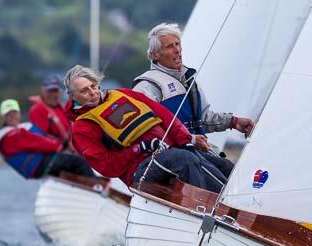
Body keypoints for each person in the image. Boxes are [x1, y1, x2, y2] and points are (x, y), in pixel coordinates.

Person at [63, 65, 227, 193]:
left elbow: (166, 117)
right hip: (139, 171)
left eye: (93, 86)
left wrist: (188, 140)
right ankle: (210, 207)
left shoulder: (124, 95)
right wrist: (139, 148)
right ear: (73, 96)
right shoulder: (82, 129)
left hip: (170, 151)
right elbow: (107, 167)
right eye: (84, 91)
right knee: (183, 158)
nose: (92, 92)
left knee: (222, 164)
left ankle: (241, 207)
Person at [132, 22, 256, 177]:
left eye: (178, 44)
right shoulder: (147, 86)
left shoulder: (189, 80)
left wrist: (233, 122)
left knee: (230, 170)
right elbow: (144, 129)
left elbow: (203, 119)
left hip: (199, 152)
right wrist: (189, 138)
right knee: (222, 175)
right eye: (170, 46)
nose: (177, 49)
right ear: (154, 55)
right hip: (177, 158)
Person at [0, 99, 94, 179]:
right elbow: (37, 143)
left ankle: (88, 187)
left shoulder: (21, 129)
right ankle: (97, 187)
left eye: (15, 113)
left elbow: (41, 137)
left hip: (42, 162)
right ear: (3, 118)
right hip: (39, 166)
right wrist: (61, 145)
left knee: (74, 163)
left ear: (19, 114)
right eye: (8, 114)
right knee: (79, 162)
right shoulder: (9, 136)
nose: (12, 116)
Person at [29, 75, 72, 142]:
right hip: (55, 150)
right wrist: (64, 146)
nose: (52, 94)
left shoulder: (62, 108)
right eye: (49, 91)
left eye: (55, 91)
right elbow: (40, 138)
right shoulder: (37, 110)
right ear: (42, 92)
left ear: (59, 92)